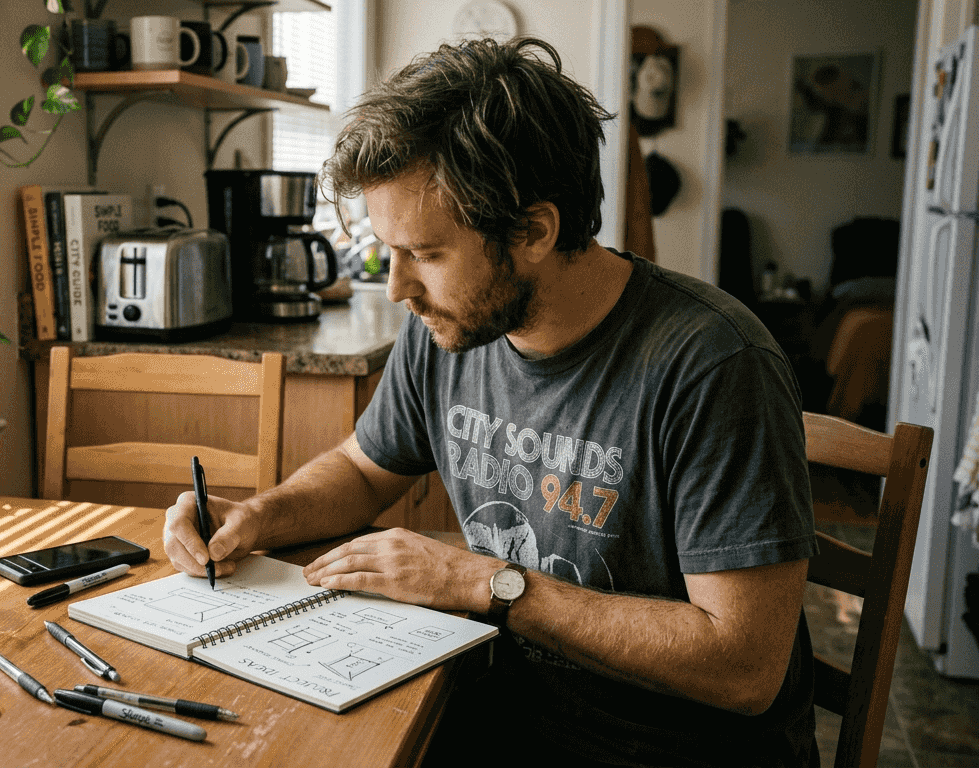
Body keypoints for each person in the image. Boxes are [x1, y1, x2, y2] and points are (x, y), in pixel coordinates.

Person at [165, 36, 818, 767]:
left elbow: (744, 667)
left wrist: (481, 582)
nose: (399, 290)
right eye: (391, 252)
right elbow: (361, 471)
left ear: (535, 231)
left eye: (427, 254)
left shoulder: (714, 366)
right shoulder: (450, 326)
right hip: (488, 715)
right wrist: (258, 515)